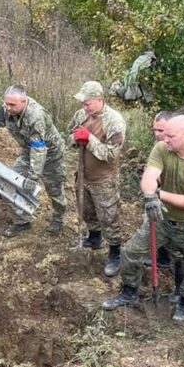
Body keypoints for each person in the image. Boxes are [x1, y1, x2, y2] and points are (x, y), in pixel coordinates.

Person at [102, 113, 184, 322]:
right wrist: (149, 195)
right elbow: (149, 175)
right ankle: (129, 292)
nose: (165, 139)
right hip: (161, 218)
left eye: (171, 136)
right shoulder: (162, 148)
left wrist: (159, 195)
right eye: (164, 135)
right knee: (131, 251)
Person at [0, 85, 67, 238]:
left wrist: (33, 177)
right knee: (14, 180)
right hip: (28, 151)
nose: (8, 108)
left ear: (24, 101)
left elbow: (39, 149)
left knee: (54, 189)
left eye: (12, 105)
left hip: (51, 154)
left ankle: (58, 218)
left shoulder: (35, 116)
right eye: (7, 103)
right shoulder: (6, 109)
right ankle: (22, 221)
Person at [66, 81, 127, 277]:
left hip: (104, 178)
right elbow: (69, 136)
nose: (85, 107)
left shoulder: (114, 121)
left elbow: (111, 155)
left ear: (100, 100)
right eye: (83, 103)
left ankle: (115, 253)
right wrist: (76, 139)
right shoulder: (81, 115)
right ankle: (94, 237)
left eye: (88, 103)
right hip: (84, 174)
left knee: (109, 216)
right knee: (87, 210)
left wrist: (90, 140)